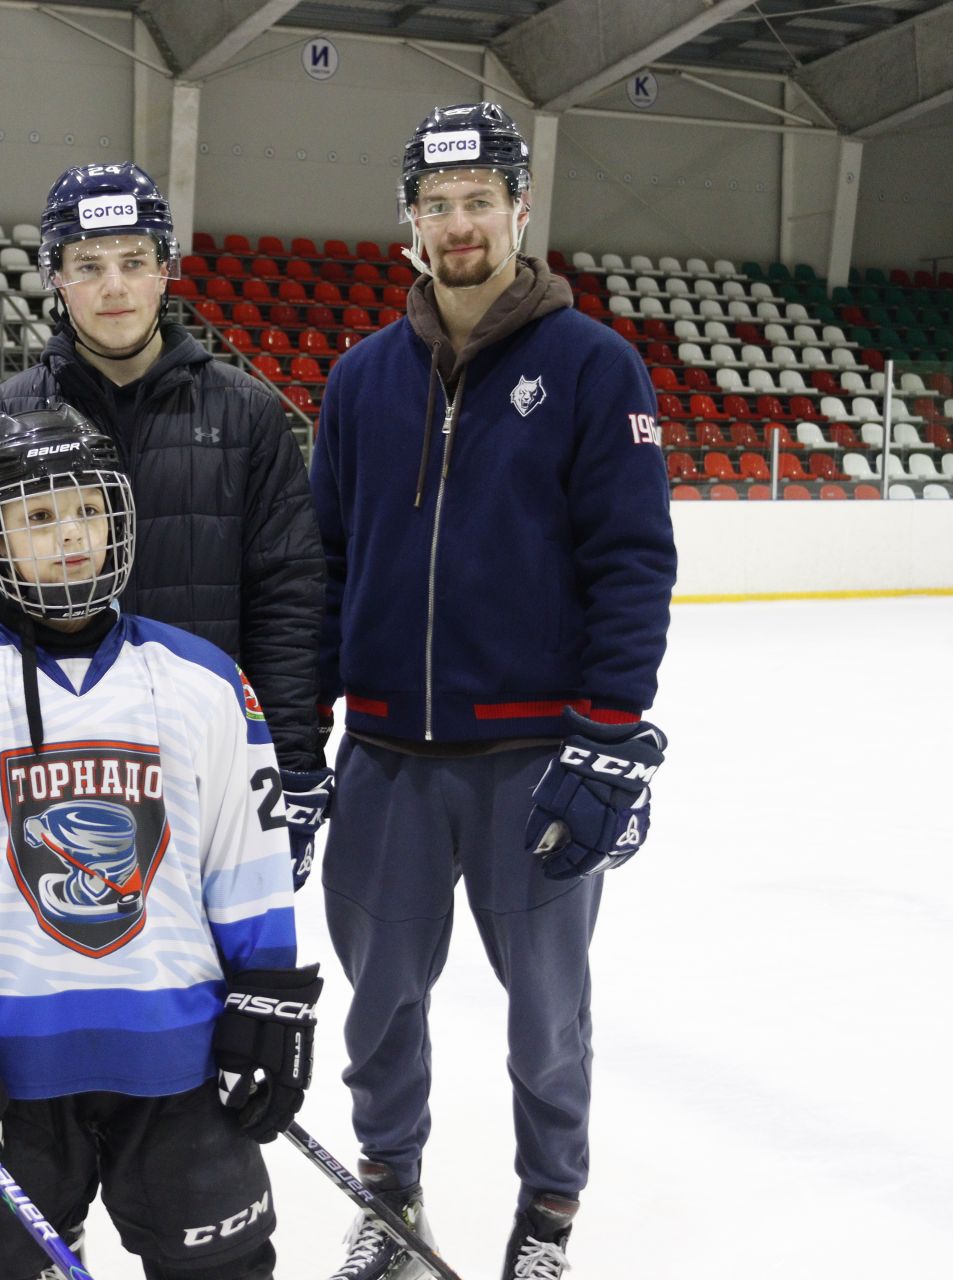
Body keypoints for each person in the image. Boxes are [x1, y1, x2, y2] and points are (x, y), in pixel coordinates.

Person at [308, 103, 677, 1280]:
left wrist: (608, 737)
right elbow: (321, 568)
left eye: (480, 201)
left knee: (546, 1022)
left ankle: (546, 1220)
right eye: (437, 203)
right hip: (387, 762)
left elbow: (633, 562)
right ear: (408, 220)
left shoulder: (592, 366)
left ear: (520, 209)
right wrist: (295, 737)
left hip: (535, 766)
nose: (458, 223)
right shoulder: (363, 379)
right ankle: (391, 1198)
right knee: (379, 1012)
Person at [0, 405, 321, 1280]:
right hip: (0, 1075)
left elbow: (247, 862)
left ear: (120, 516)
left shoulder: (204, 681)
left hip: (178, 1058)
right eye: (36, 518)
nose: (68, 536)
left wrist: (267, 998)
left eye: (85, 509)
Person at [0, 161, 334, 891]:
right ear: (55, 276)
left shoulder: (244, 411)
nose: (113, 286)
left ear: (165, 271)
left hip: (205, 763)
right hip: (50, 765)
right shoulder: (4, 416)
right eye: (88, 265)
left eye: (133, 261)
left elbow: (288, 595)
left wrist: (291, 759)